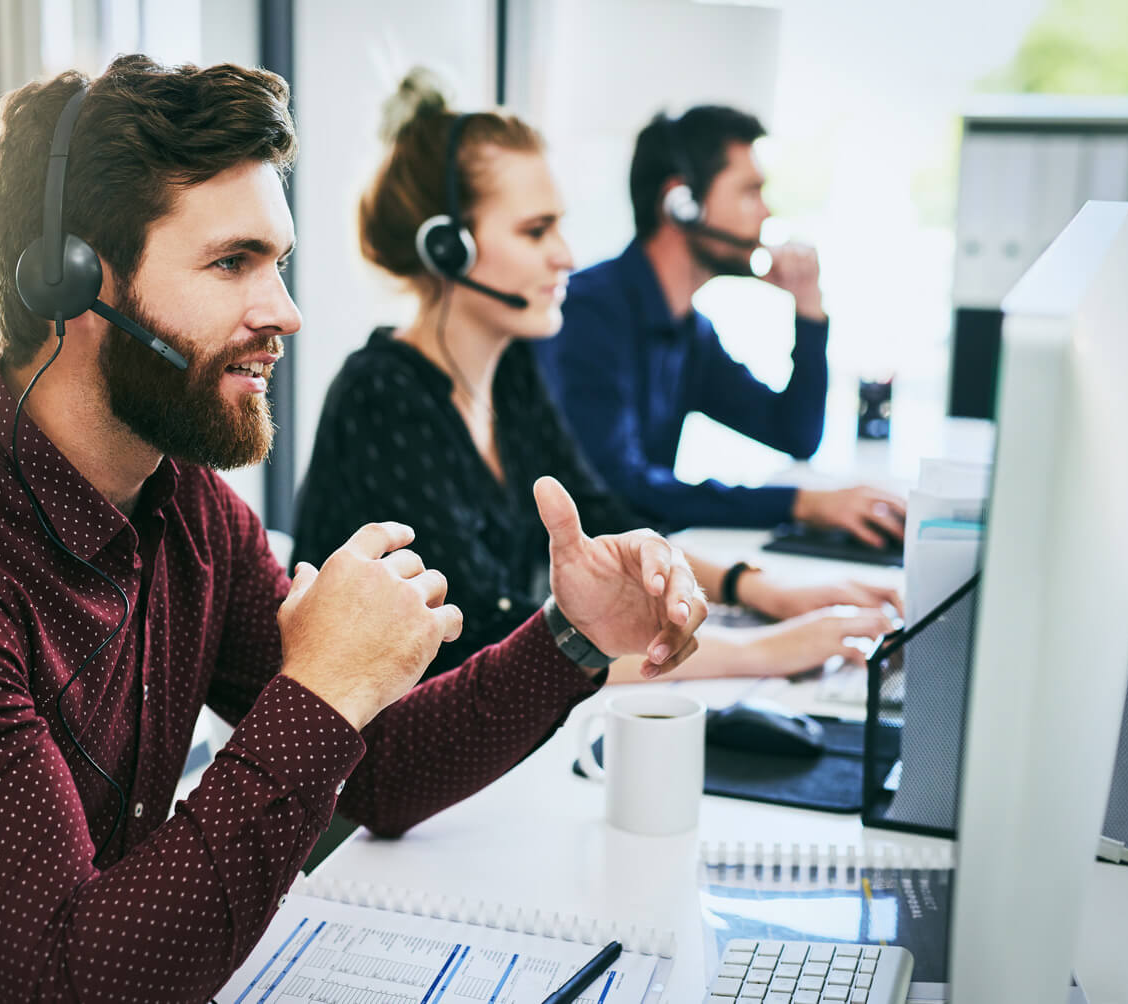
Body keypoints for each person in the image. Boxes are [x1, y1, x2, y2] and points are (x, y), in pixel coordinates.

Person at [0, 58, 709, 1003]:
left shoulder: (181, 503)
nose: (284, 311)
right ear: (71, 282)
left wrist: (571, 635)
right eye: (233, 263)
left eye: (276, 262)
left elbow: (383, 771)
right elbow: (78, 982)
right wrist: (320, 685)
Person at [293, 72, 896, 686]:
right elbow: (481, 643)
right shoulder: (384, 397)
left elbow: (606, 521)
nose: (567, 256)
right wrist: (764, 652)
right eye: (535, 231)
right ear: (449, 249)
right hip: (377, 763)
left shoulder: (513, 371)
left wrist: (760, 592)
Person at [532, 106, 907, 547]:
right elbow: (617, 485)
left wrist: (808, 310)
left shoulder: (689, 333)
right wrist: (798, 504)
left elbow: (795, 433)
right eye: (750, 192)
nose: (766, 213)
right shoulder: (588, 314)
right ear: (681, 203)